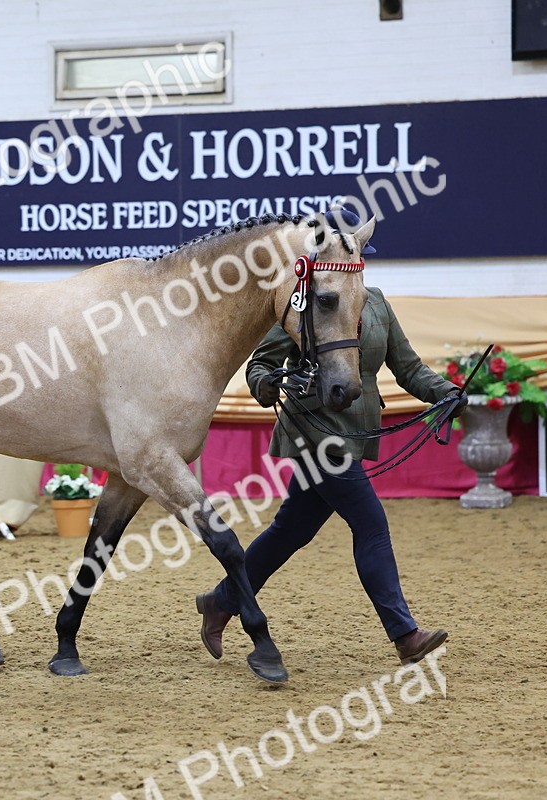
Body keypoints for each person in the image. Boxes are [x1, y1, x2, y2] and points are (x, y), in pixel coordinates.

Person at [195, 208, 458, 667]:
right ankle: (405, 635)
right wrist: (269, 383)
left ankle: (221, 601)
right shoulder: (304, 301)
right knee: (371, 524)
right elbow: (261, 367)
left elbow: (409, 368)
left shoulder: (376, 304)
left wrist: (447, 392)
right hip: (314, 432)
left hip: (353, 433)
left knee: (290, 531)